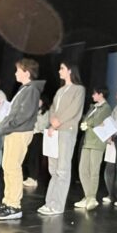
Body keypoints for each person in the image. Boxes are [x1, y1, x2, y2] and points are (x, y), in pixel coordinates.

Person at [0, 59, 44, 220]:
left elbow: (24, 114)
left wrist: (7, 126)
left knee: (12, 167)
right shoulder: (25, 88)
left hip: (19, 131)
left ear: (26, 72)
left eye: (18, 70)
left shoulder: (31, 89)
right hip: (14, 131)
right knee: (8, 166)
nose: (15, 73)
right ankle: (8, 201)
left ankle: (14, 205)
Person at [38, 62, 85, 215]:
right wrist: (52, 120)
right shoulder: (60, 90)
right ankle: (49, 202)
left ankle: (57, 206)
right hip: (54, 131)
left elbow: (73, 110)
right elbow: (52, 108)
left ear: (70, 71)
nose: (59, 71)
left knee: (62, 169)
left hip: (66, 131)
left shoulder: (79, 89)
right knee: (53, 169)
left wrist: (58, 122)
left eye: (62, 68)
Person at [74, 87, 113, 211]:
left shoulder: (106, 108)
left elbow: (96, 121)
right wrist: (86, 123)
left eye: (94, 94)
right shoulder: (93, 107)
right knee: (82, 169)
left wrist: (88, 123)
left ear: (101, 94)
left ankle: (92, 197)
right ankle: (88, 196)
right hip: (88, 141)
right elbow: (85, 119)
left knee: (94, 171)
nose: (92, 96)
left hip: (98, 142)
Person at [22, 96, 49, 187]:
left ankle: (33, 178)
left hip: (38, 135)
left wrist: (36, 118)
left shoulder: (46, 113)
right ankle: (28, 176)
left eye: (39, 100)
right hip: (30, 134)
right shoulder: (33, 110)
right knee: (28, 156)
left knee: (35, 157)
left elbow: (43, 126)